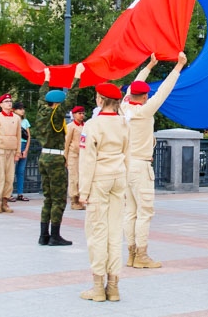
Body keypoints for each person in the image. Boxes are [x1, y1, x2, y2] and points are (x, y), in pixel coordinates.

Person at [123, 52, 187, 268]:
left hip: (125, 166)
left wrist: (148, 67)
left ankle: (131, 253)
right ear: (144, 98)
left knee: (130, 212)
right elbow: (164, 91)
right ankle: (141, 255)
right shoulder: (145, 110)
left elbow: (135, 84)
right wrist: (178, 67)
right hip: (140, 166)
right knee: (144, 211)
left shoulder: (124, 107)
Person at [79, 83, 129, 303]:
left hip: (99, 179)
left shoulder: (92, 124)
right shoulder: (123, 123)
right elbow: (127, 153)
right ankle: (114, 286)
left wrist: (83, 191)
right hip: (119, 177)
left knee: (97, 232)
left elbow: (87, 159)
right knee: (115, 232)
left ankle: (98, 287)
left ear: (99, 99)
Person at [36, 63, 84, 246]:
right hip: (55, 158)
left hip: (43, 157)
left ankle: (43, 235)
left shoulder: (42, 110)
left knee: (48, 198)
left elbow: (41, 95)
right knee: (58, 199)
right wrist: (77, 76)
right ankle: (55, 235)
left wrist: (46, 78)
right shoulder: (55, 114)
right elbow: (70, 100)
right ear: (57, 103)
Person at [0, 94, 22, 214]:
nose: (9, 103)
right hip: (0, 151)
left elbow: (19, 136)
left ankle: (5, 202)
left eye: (10, 101)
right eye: (6, 101)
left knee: (9, 178)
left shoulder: (17, 118)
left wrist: (18, 152)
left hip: (12, 151)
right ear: (1, 104)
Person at [65, 106, 86, 210]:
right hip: (73, 155)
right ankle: (74, 200)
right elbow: (67, 142)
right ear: (74, 115)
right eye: (79, 113)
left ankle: (80, 199)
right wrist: (65, 157)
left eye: (82, 113)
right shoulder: (71, 126)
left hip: (83, 155)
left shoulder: (85, 126)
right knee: (74, 178)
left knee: (82, 177)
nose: (81, 115)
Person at [12, 102, 31, 201]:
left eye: (23, 108)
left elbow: (28, 136)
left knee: (21, 171)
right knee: (11, 171)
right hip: (14, 146)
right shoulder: (12, 120)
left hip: (23, 145)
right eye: (20, 109)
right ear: (14, 110)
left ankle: (20, 193)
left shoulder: (25, 121)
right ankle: (9, 193)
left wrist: (26, 150)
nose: (22, 110)